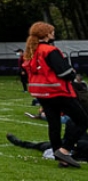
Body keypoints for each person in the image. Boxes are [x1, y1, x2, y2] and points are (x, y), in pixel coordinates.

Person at [22, 21, 86, 168]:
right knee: (82, 121)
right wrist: (72, 73)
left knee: (54, 124)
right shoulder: (49, 50)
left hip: (41, 93)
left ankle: (61, 157)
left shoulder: (32, 50)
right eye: (52, 32)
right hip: (58, 91)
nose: (53, 34)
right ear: (46, 34)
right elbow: (63, 72)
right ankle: (65, 150)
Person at [6, 133, 88, 162]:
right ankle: (21, 143)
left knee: (43, 146)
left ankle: (20, 143)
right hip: (70, 146)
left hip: (71, 149)